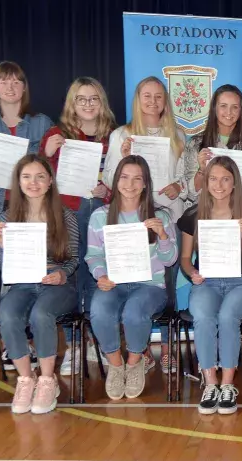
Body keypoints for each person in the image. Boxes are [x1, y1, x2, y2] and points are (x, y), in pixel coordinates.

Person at [0, 61, 54, 347]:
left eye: (16, 81)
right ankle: (9, 341)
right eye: (3, 81)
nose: (10, 87)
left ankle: (34, 336)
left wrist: (48, 152)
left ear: (24, 87)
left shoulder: (42, 122)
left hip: (31, 208)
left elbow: (51, 167)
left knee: (34, 268)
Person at [85, 156, 178, 400]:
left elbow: (169, 261)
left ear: (146, 184)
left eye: (138, 178)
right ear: (116, 181)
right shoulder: (99, 216)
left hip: (150, 286)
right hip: (114, 283)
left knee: (134, 312)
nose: (130, 184)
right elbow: (93, 256)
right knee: (99, 307)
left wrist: (163, 235)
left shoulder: (161, 216)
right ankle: (116, 365)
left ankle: (135, 362)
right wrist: (100, 275)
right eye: (124, 177)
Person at [0, 155, 78, 414]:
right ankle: (25, 379)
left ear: (50, 181)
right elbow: (1, 265)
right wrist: (2, 246)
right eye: (27, 177)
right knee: (8, 313)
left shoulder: (65, 216)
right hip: (22, 284)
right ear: (18, 182)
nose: (34, 182)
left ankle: (48, 380)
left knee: (42, 313)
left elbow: (74, 258)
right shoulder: (7, 217)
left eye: (40, 176)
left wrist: (62, 273)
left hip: (57, 285)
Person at [42, 77, 117, 368]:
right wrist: (46, 155)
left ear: (102, 103)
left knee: (99, 275)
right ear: (72, 103)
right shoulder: (56, 133)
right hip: (67, 214)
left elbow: (119, 177)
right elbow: (38, 179)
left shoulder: (113, 136)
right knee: (71, 276)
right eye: (81, 99)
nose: (88, 104)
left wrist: (106, 191)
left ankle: (98, 340)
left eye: (94, 98)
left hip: (100, 211)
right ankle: (74, 344)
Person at [178, 156, 242, 415]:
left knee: (227, 317)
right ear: (204, 180)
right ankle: (210, 383)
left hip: (241, 283)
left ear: (235, 182)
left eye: (226, 178)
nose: (219, 184)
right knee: (202, 316)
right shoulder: (193, 215)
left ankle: (227, 385)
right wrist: (192, 273)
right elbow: (184, 258)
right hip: (207, 282)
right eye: (213, 178)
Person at [104, 76, 188, 221]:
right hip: (134, 214)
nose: (153, 101)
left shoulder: (178, 135)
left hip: (172, 213)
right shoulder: (121, 135)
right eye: (147, 96)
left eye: (158, 96)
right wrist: (125, 160)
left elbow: (186, 174)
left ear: (165, 101)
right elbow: (108, 179)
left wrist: (179, 187)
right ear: (138, 100)